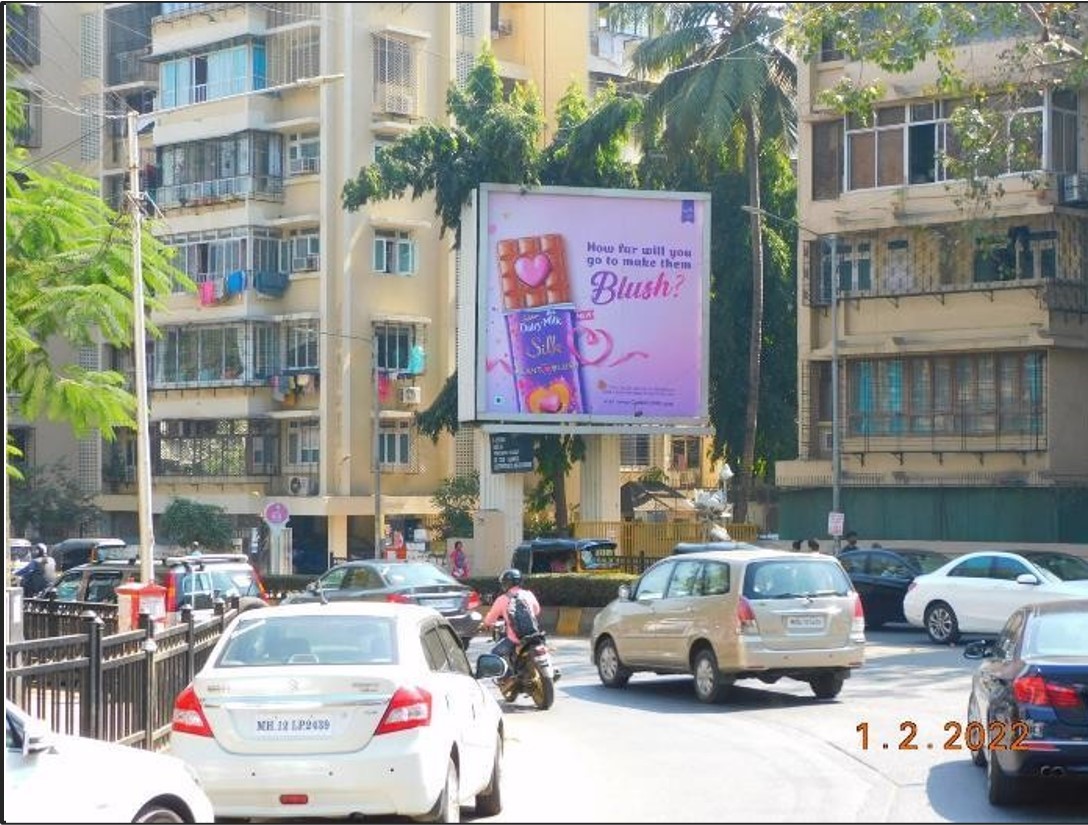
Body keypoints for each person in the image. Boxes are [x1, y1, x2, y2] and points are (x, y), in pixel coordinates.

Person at [482, 568, 541, 670]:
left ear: (505, 584)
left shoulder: (502, 599)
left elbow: (490, 620)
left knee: (493, 655)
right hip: (534, 636)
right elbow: (537, 611)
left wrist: (485, 625)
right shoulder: (528, 594)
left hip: (515, 640)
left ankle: (508, 678)